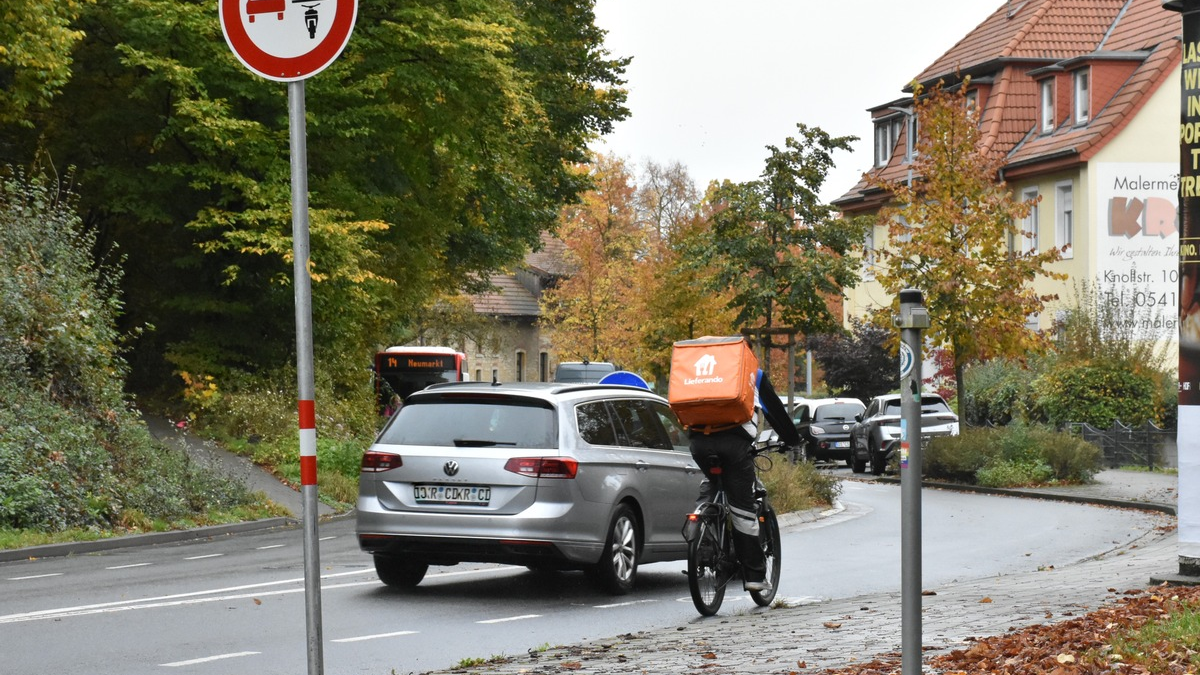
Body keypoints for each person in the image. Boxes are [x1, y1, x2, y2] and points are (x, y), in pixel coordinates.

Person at [687, 368, 802, 593]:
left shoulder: (700, 371)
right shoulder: (753, 374)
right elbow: (774, 411)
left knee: (714, 482)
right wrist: (792, 439)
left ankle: (703, 531)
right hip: (735, 446)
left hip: (699, 443)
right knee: (742, 509)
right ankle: (755, 576)